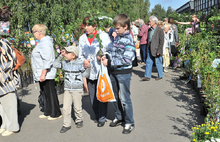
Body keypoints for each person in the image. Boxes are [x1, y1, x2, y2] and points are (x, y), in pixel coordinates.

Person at [102, 13, 136, 134]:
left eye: (117, 28)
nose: (115, 30)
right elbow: (111, 49)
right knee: (114, 96)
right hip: (113, 71)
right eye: (115, 28)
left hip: (123, 72)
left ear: (125, 26)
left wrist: (109, 61)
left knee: (125, 98)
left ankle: (129, 122)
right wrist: (105, 55)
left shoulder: (129, 40)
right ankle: (119, 116)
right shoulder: (118, 37)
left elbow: (127, 59)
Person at [78, 16, 112, 127]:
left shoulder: (103, 36)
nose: (86, 27)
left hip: (100, 70)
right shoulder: (82, 38)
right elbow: (80, 55)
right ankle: (97, 114)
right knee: (92, 96)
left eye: (88, 25)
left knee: (101, 93)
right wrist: (84, 61)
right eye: (85, 25)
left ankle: (102, 117)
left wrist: (104, 56)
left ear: (94, 26)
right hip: (89, 71)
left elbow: (110, 50)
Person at [53, 46, 90, 133]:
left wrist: (88, 67)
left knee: (77, 107)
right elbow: (55, 64)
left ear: (73, 55)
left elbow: (86, 74)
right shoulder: (65, 63)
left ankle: (79, 120)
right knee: (66, 108)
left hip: (77, 89)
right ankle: (66, 124)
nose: (65, 54)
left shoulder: (80, 63)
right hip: (67, 89)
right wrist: (60, 56)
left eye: (67, 53)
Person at [31, 24, 62, 120]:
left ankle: (56, 113)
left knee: (50, 92)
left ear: (39, 32)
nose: (33, 34)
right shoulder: (41, 42)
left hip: (46, 73)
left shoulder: (45, 43)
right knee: (45, 92)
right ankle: (48, 111)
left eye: (34, 32)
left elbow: (47, 59)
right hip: (42, 72)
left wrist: (43, 73)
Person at [0, 38, 20, 136]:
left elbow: (12, 60)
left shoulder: (3, 42)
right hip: (2, 81)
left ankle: (13, 127)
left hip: (5, 80)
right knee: (2, 106)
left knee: (9, 105)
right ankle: (5, 125)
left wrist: (3, 75)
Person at [142, 16, 164, 81]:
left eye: (150, 21)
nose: (149, 23)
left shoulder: (159, 30)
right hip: (150, 48)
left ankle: (160, 75)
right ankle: (147, 76)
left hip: (157, 48)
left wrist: (159, 50)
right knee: (148, 62)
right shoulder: (149, 29)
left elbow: (161, 41)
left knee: (158, 62)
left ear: (154, 22)